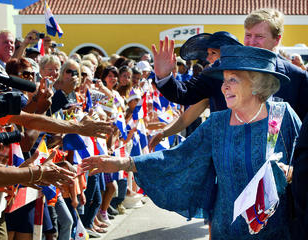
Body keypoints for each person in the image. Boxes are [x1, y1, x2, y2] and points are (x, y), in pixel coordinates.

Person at [80, 46, 301, 239]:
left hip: (276, 230)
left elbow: (305, 162)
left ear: (257, 84)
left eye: (233, 80)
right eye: (224, 81)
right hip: (226, 230)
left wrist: (292, 172)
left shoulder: (282, 117)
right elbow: (178, 157)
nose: (224, 87)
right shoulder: (217, 124)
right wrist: (123, 163)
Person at [154, 8, 308, 120]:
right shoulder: (223, 67)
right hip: (226, 160)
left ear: (277, 39)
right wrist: (164, 76)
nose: (251, 42)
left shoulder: (298, 78)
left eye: (259, 36)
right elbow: (186, 93)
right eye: (248, 35)